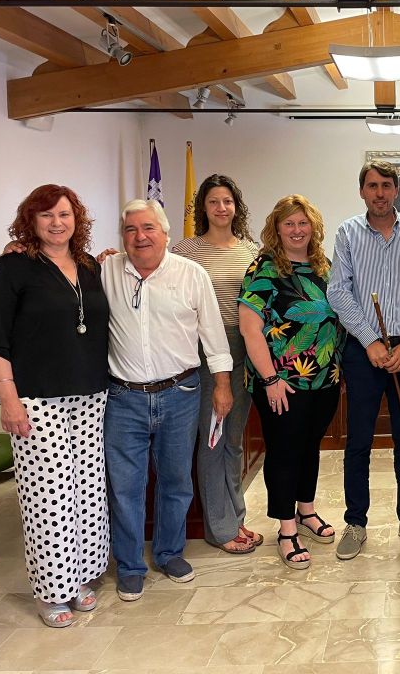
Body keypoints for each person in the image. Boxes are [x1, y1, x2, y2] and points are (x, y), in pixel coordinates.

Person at [0, 184, 110, 628]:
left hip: (91, 394)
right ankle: (52, 591)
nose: (57, 223)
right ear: (30, 221)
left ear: (78, 220)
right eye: (47, 215)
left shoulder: (90, 266)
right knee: (48, 496)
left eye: (65, 214)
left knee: (87, 491)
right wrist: (9, 400)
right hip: (37, 399)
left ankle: (81, 578)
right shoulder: (13, 266)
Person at [101, 199, 233, 601]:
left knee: (176, 480)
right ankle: (130, 565)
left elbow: (214, 336)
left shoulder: (191, 274)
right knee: (126, 486)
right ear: (122, 236)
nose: (140, 237)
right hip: (124, 398)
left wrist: (223, 385)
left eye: (148, 228)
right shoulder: (105, 271)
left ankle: (170, 553)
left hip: (181, 394)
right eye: (130, 229)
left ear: (165, 232)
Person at [328, 159, 400, 559]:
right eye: (372, 185)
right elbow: (338, 292)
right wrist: (371, 340)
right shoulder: (348, 233)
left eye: (386, 185)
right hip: (364, 351)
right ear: (362, 191)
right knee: (358, 439)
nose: (379, 193)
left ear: (396, 190)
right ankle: (355, 523)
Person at [238, 195, 346, 569]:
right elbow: (250, 328)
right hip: (281, 381)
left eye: (303, 223)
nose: (297, 230)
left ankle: (306, 510)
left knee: (309, 446)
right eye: (289, 224)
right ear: (277, 228)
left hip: (324, 378)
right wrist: (270, 379)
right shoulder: (265, 269)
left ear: (313, 227)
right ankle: (286, 529)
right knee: (284, 451)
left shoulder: (324, 266)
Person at [172, 174, 262, 555]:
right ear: (203, 208)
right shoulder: (185, 250)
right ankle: (220, 528)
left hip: (245, 348)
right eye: (213, 201)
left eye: (227, 201)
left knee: (234, 441)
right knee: (213, 440)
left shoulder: (251, 250)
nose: (221, 208)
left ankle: (236, 517)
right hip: (206, 352)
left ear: (236, 206)